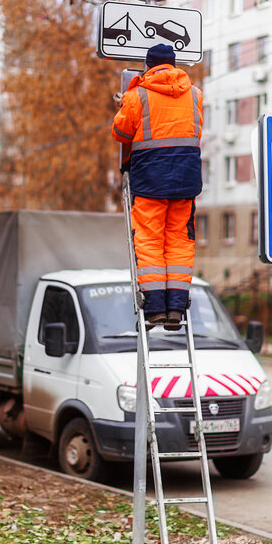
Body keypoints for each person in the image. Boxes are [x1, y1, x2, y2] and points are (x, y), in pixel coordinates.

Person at [112, 43, 203, 330]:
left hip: (150, 179)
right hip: (186, 180)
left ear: (148, 66)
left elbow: (120, 132)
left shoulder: (137, 95)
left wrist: (124, 104)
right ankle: (175, 309)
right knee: (179, 241)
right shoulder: (195, 95)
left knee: (150, 240)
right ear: (174, 65)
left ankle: (153, 310)